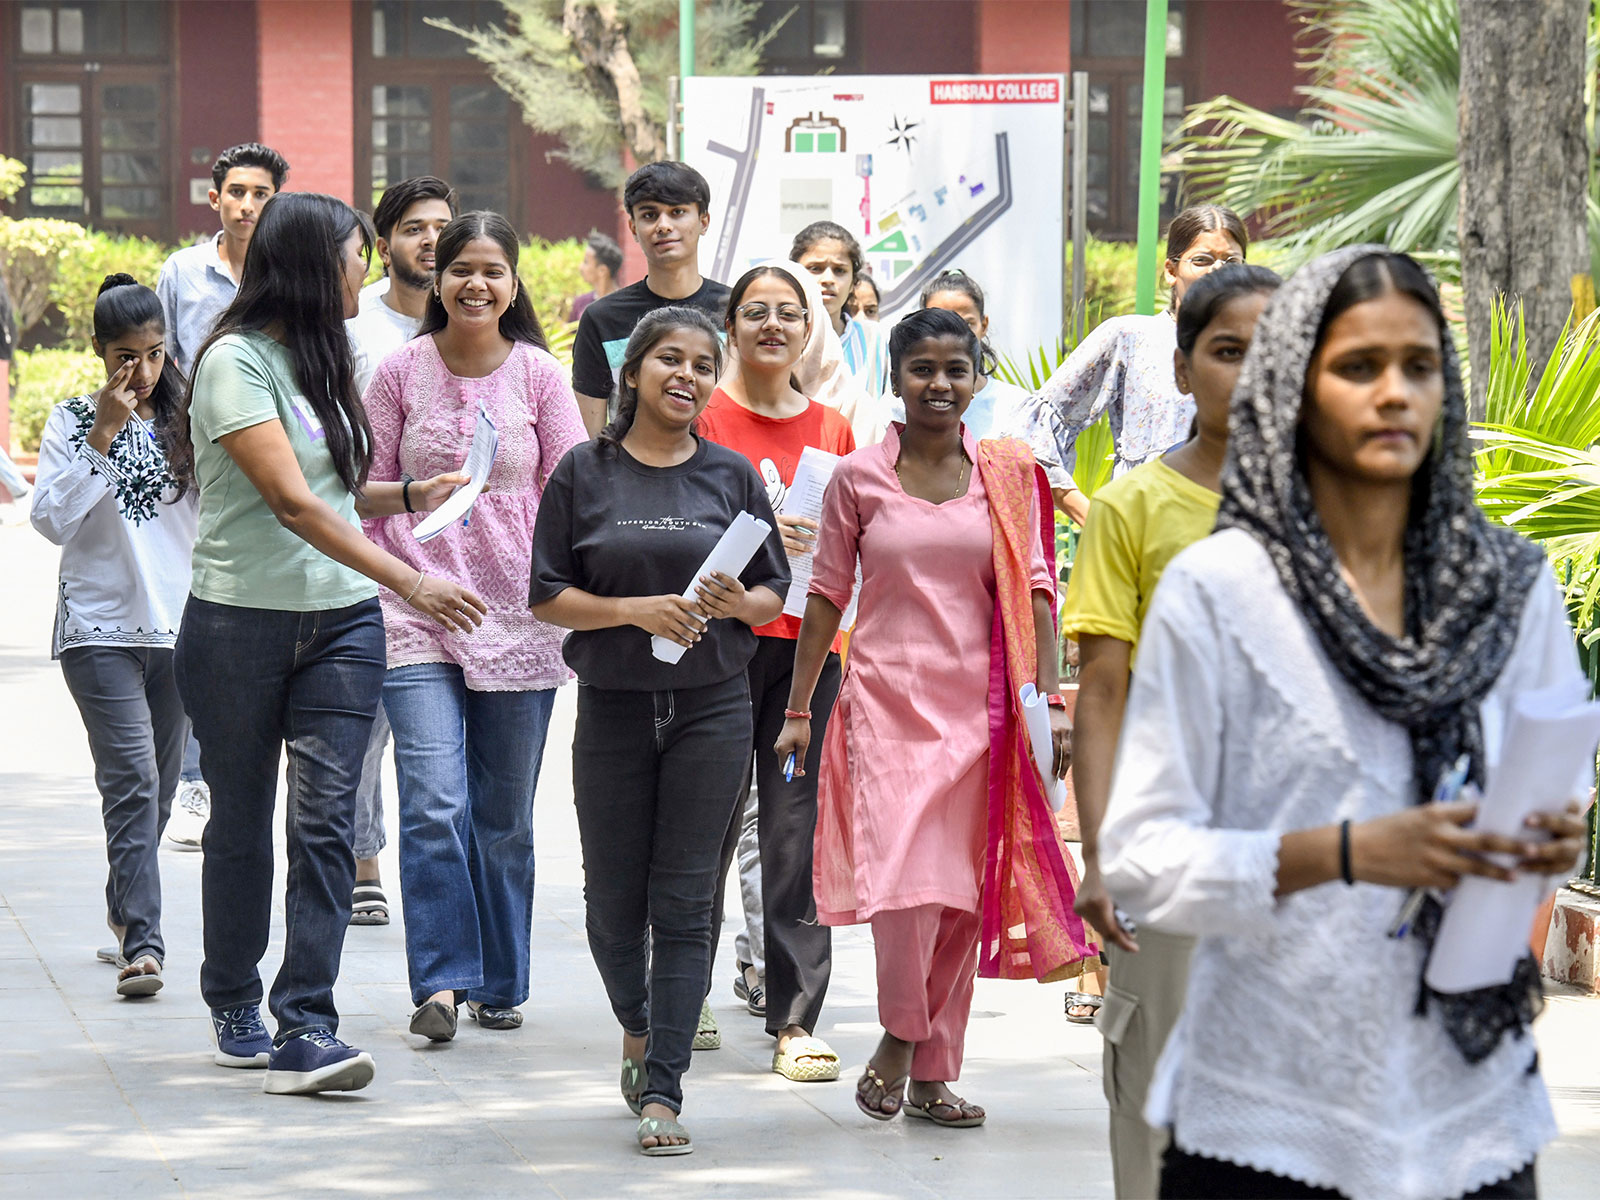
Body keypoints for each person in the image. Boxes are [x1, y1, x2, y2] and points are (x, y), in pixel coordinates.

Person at [1099, 247, 1592, 1200]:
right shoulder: (1219, 593)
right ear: (1293, 387)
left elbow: (1555, 805)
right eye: (1359, 367)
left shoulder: (1510, 587)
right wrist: (1348, 853)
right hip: (1267, 1112)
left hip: (1470, 1107)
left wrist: (1547, 840)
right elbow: (1144, 861)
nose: (1396, 393)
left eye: (1420, 366)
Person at [174, 191, 485, 1096]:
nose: (371, 269)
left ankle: (305, 1021)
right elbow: (291, 502)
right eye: (357, 255)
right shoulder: (234, 361)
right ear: (316, 264)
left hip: (344, 624)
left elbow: (338, 491)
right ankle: (232, 993)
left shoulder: (323, 361)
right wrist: (412, 578)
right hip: (238, 624)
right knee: (240, 822)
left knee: (324, 826)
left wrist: (408, 495)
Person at [776, 308, 1095, 1129]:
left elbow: (1036, 592)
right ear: (895, 377)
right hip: (883, 707)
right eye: (923, 369)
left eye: (957, 369)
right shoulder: (858, 479)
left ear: (978, 379)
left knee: (960, 896)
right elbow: (823, 596)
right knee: (905, 892)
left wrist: (1051, 702)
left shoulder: (1004, 477)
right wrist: (800, 706)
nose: (940, 385)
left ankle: (931, 1075)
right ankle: (898, 1034)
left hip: (982, 714)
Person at [530, 307, 788, 1156]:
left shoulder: (731, 475)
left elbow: (770, 595)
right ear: (634, 371)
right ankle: (637, 1027)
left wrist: (732, 602)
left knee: (685, 901)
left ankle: (666, 1087)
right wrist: (633, 609)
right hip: (613, 704)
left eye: (703, 364)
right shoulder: (582, 472)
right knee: (612, 905)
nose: (688, 375)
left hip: (713, 707)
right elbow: (548, 597)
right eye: (670, 359)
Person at [1063, 264, 1280, 1197]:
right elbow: (1102, 693)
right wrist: (1104, 856)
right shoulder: (1132, 508)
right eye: (1228, 351)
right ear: (1183, 373)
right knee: (1160, 1105)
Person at [365, 211, 586, 1041]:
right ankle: (442, 983)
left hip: (521, 619)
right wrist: (413, 523)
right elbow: (359, 491)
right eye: (461, 268)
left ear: (514, 285)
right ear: (437, 279)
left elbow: (573, 490)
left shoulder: (538, 376)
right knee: (432, 802)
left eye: (493, 269)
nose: (475, 283)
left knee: (504, 820)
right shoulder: (397, 374)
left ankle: (500, 979)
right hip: (416, 607)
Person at [698, 262, 856, 1083]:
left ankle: (794, 1019)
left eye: (788, 313)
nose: (771, 325)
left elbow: (860, 538)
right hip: (721, 647)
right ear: (731, 325)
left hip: (808, 657)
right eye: (754, 312)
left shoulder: (833, 426)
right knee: (707, 820)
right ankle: (681, 989)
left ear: (809, 328)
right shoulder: (704, 416)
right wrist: (758, 537)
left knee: (796, 829)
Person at [30, 275, 199, 997]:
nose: (141, 371)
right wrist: (102, 433)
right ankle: (144, 943)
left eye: (154, 354)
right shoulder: (72, 421)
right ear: (100, 352)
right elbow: (52, 522)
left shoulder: (192, 421)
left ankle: (124, 908)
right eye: (126, 356)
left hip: (180, 630)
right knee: (130, 778)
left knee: (156, 791)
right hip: (97, 630)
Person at [155, 140, 290, 851]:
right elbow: (161, 365)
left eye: (260, 193)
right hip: (196, 465)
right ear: (215, 199)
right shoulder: (181, 273)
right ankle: (195, 782)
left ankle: (242, 781)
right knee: (201, 614)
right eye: (236, 192)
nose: (246, 205)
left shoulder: (287, 270)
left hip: (272, 467)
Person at [343, 174, 458, 927]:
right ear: (385, 245)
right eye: (415, 227)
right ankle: (363, 861)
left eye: (443, 227)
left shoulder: (474, 327)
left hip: (461, 557)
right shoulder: (356, 334)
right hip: (364, 548)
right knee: (364, 724)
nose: (432, 240)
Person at [1022, 204, 1247, 525]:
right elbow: (1034, 431)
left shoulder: (1265, 347)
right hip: (1142, 538)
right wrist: (1092, 517)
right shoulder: (1131, 337)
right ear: (1171, 270)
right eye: (1202, 260)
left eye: (1231, 261)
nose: (1218, 271)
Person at [570, 162, 732, 436]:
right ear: (633, 227)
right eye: (650, 215)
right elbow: (588, 439)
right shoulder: (603, 319)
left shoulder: (735, 312)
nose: (664, 226)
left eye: (677, 212)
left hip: (727, 475)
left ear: (703, 221)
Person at [905, 269, 1032, 440]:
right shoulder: (900, 404)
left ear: (984, 325)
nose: (952, 337)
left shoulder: (1015, 405)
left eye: (966, 324)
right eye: (939, 324)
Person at [791, 221, 890, 404]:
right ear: (793, 274)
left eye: (839, 270)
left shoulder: (874, 339)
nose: (828, 279)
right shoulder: (780, 338)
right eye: (815, 268)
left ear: (853, 281)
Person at [569, 230, 623, 322]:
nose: (581, 267)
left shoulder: (624, 304)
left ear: (602, 270)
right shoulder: (580, 303)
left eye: (586, 262)